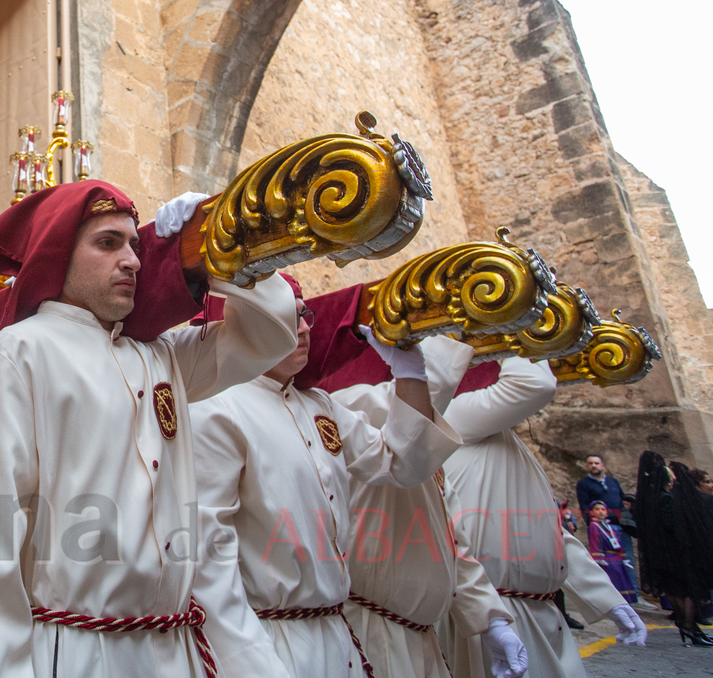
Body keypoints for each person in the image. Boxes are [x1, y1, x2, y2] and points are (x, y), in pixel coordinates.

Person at [0, 180, 298, 678]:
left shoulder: (160, 354)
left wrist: (216, 240)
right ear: (59, 254)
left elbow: (269, 334)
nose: (132, 260)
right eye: (108, 243)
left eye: (135, 245)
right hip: (78, 652)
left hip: (176, 649)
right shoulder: (21, 350)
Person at [188, 274, 508, 678]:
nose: (305, 329)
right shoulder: (215, 409)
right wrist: (249, 662)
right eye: (288, 318)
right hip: (271, 639)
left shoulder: (320, 406)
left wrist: (410, 372)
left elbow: (403, 463)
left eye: (305, 316)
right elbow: (209, 558)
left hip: (339, 634)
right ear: (249, 325)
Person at [322, 334, 528, 678]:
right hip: (369, 631)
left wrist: (490, 619)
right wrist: (445, 335)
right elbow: (410, 400)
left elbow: (451, 544)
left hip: (422, 639)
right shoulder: (346, 405)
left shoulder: (422, 438)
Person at [438, 357, 648, 678]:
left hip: (541, 614)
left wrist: (607, 599)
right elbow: (535, 385)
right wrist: (515, 328)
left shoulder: (507, 443)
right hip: (491, 614)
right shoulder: (454, 415)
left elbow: (548, 530)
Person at [636, 454, 713, 647]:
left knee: (675, 589)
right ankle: (690, 627)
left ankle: (689, 628)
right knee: (689, 589)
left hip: (662, 553)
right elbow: (671, 524)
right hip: (675, 551)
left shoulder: (650, 499)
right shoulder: (665, 499)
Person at [576, 453, 647, 606]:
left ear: (603, 465)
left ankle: (634, 595)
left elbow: (622, 500)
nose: (593, 466)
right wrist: (592, 525)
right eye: (590, 463)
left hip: (620, 527)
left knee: (627, 560)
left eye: (596, 463)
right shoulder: (584, 484)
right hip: (601, 528)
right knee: (607, 562)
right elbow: (583, 506)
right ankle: (612, 597)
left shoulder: (613, 482)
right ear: (587, 466)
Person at [586, 501, 637, 606]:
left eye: (603, 509)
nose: (600, 511)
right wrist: (598, 557)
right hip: (607, 558)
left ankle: (623, 603)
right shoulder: (593, 526)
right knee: (614, 579)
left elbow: (618, 542)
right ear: (592, 512)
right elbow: (595, 542)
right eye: (597, 509)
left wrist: (623, 557)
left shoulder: (611, 527)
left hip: (617, 557)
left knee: (622, 579)